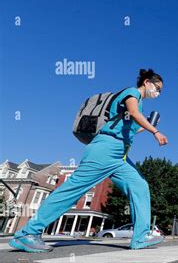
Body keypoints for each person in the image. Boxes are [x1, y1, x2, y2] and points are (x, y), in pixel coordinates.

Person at [9, 69, 168, 252]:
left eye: (160, 91)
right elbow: (133, 113)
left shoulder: (139, 107)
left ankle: (140, 237)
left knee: (139, 185)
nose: (157, 93)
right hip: (104, 150)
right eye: (157, 88)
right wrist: (154, 131)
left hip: (118, 155)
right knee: (72, 189)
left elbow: (128, 130)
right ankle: (27, 234)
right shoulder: (132, 94)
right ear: (146, 82)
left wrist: (149, 125)